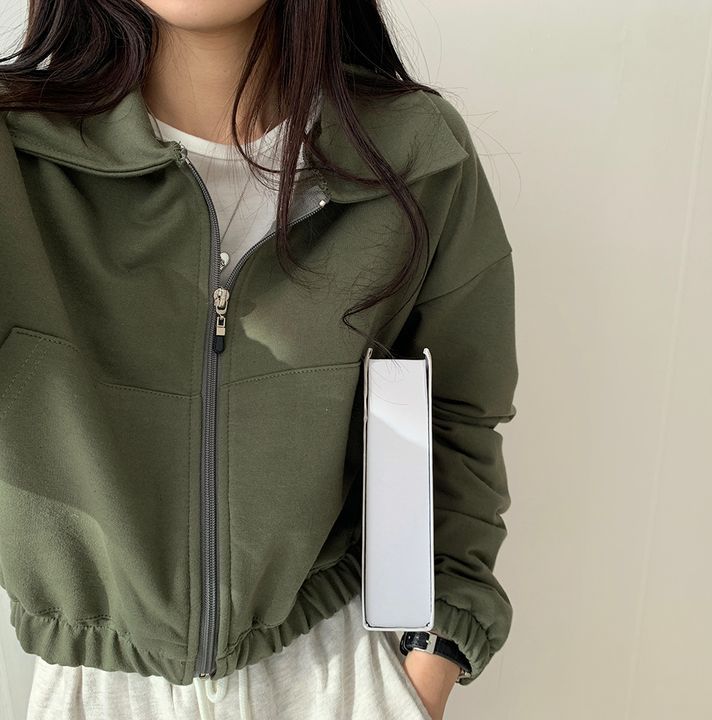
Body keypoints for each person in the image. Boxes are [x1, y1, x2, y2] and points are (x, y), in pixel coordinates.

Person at [0, 1, 519, 718]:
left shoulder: (414, 155)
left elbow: (456, 417)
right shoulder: (16, 159)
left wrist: (431, 655)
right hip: (99, 690)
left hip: (336, 670)